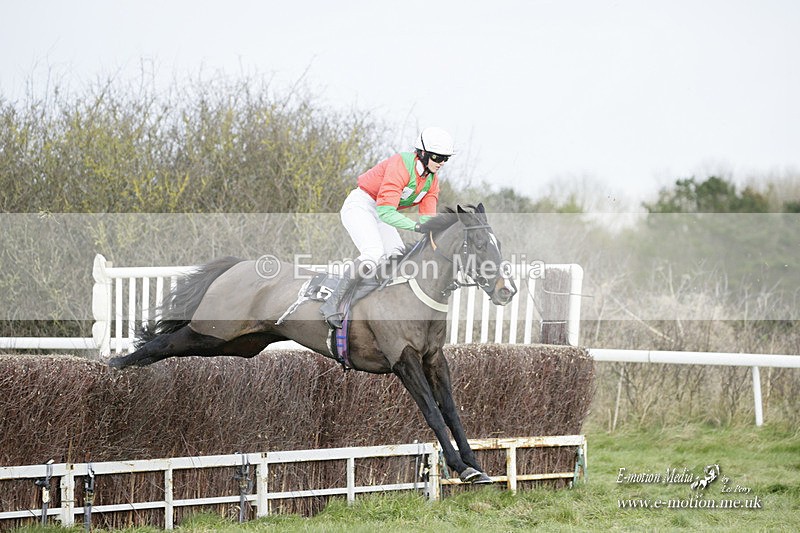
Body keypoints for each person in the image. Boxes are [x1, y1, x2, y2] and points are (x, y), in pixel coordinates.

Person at [320, 126, 455, 328]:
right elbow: (386, 212)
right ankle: (333, 304)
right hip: (361, 205)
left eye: (446, 158)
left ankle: (374, 308)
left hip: (381, 212)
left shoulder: (431, 182)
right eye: (437, 157)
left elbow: (428, 220)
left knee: (397, 259)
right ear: (423, 153)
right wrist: (416, 227)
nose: (441, 163)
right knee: (373, 253)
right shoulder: (401, 164)